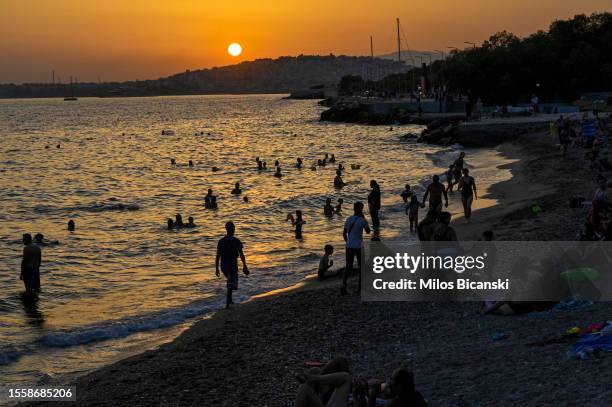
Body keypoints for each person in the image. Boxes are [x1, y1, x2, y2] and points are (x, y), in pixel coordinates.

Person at [215, 221, 249, 309]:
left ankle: (229, 301)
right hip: (232, 265)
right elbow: (241, 254)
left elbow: (218, 255)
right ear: (233, 229)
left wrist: (217, 268)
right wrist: (245, 266)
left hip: (224, 266)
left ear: (226, 229)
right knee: (230, 283)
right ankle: (228, 303)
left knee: (230, 281)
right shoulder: (236, 241)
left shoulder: (221, 241)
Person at [342, 202, 371, 294]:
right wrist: (364, 218)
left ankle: (344, 284)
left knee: (348, 266)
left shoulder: (349, 219)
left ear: (354, 209)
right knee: (361, 267)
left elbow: (344, 233)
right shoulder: (362, 220)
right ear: (360, 209)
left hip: (349, 246)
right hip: (358, 246)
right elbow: (368, 231)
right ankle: (360, 287)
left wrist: (348, 242)